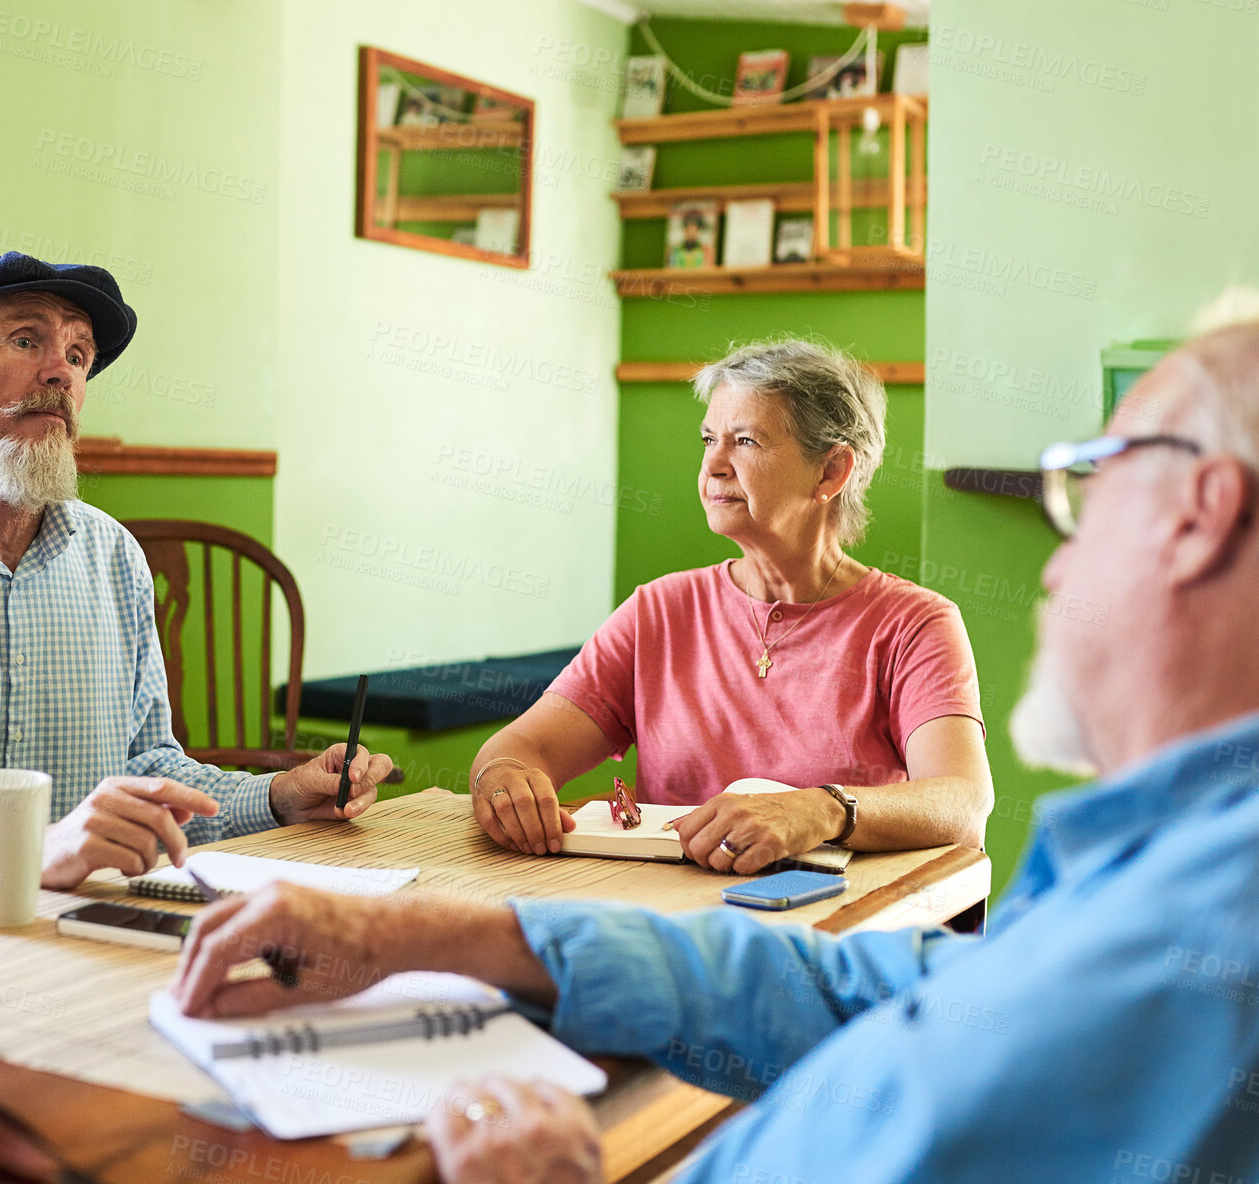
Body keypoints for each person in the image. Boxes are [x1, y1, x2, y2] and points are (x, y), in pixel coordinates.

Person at [170, 316, 1259, 1182]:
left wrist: (819, 806)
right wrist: (445, 923)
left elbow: (954, 817)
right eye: (709, 438)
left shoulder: (1191, 910)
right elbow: (869, 988)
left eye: (1090, 487)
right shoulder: (1141, 869)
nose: (1056, 565)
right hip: (676, 930)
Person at [0, 253, 394, 909]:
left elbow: (151, 769)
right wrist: (32, 851)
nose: (60, 372)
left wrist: (277, 796)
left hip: (93, 936)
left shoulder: (113, 555)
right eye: (26, 340)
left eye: (78, 354)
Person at [471, 339, 991, 873]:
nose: (715, 464)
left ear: (831, 472)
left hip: (832, 932)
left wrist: (822, 808)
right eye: (708, 439)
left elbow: (963, 804)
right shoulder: (658, 611)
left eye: (745, 441)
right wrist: (503, 777)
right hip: (663, 920)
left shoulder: (915, 623)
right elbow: (522, 747)